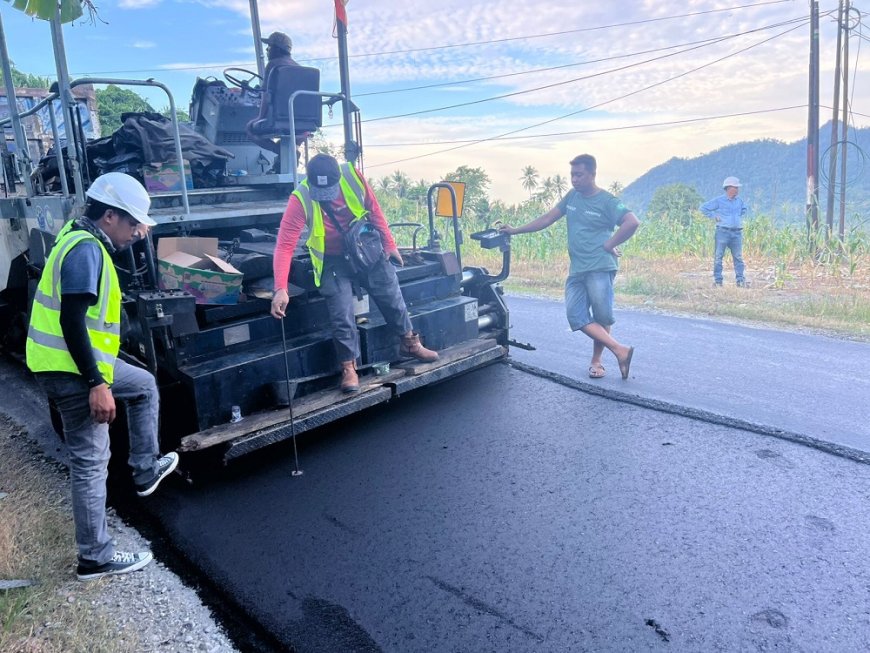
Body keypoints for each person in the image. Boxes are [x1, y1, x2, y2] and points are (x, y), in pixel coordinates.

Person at [26, 172, 179, 581]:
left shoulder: (80, 239)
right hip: (71, 371)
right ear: (109, 216)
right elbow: (72, 319)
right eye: (133, 223)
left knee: (145, 384)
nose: (138, 231)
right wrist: (97, 383)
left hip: (78, 363)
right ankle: (95, 557)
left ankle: (145, 468)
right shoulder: (86, 251)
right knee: (90, 461)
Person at [270, 154, 438, 393]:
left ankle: (410, 343)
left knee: (391, 294)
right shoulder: (301, 199)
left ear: (337, 178)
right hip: (333, 261)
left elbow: (374, 210)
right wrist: (281, 288)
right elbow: (285, 245)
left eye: (329, 190)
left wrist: (389, 245)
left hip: (365, 249)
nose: (325, 196)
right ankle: (349, 368)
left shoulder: (352, 176)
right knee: (341, 315)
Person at [500, 154, 639, 380]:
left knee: (602, 316)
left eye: (579, 175)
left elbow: (632, 222)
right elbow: (547, 219)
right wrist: (515, 230)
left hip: (600, 267)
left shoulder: (607, 201)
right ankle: (620, 350)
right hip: (578, 269)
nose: (574, 179)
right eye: (572, 175)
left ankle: (597, 361)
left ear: (593, 174)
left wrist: (610, 243)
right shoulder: (572, 197)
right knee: (576, 316)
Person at [245, 31, 301, 158]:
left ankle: (280, 152)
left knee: (250, 128)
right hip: (303, 122)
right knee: (295, 134)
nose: (267, 50)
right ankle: (287, 157)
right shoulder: (299, 68)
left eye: (269, 47)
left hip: (279, 119)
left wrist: (259, 117)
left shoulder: (273, 65)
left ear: (276, 48)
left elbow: (266, 95)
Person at [700, 176, 748, 287]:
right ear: (729, 188)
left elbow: (744, 209)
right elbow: (704, 208)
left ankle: (740, 281)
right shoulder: (719, 201)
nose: (737, 189)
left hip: (736, 233)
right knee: (718, 257)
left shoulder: (739, 201)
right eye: (735, 187)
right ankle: (718, 281)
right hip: (722, 232)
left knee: (738, 257)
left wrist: (736, 218)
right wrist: (714, 216)